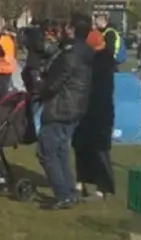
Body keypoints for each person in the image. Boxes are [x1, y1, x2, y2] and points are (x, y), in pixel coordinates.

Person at [33, 13, 93, 210]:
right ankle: (69, 191)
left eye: (68, 27)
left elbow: (54, 83)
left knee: (47, 151)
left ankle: (63, 194)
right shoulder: (86, 52)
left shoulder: (70, 55)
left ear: (73, 29)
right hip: (76, 107)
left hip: (61, 107)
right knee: (61, 150)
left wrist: (39, 89)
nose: (64, 30)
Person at [74, 14, 115, 200]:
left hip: (98, 111)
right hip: (90, 110)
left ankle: (102, 187)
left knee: (98, 150)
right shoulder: (98, 60)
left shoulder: (100, 62)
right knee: (83, 147)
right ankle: (82, 182)